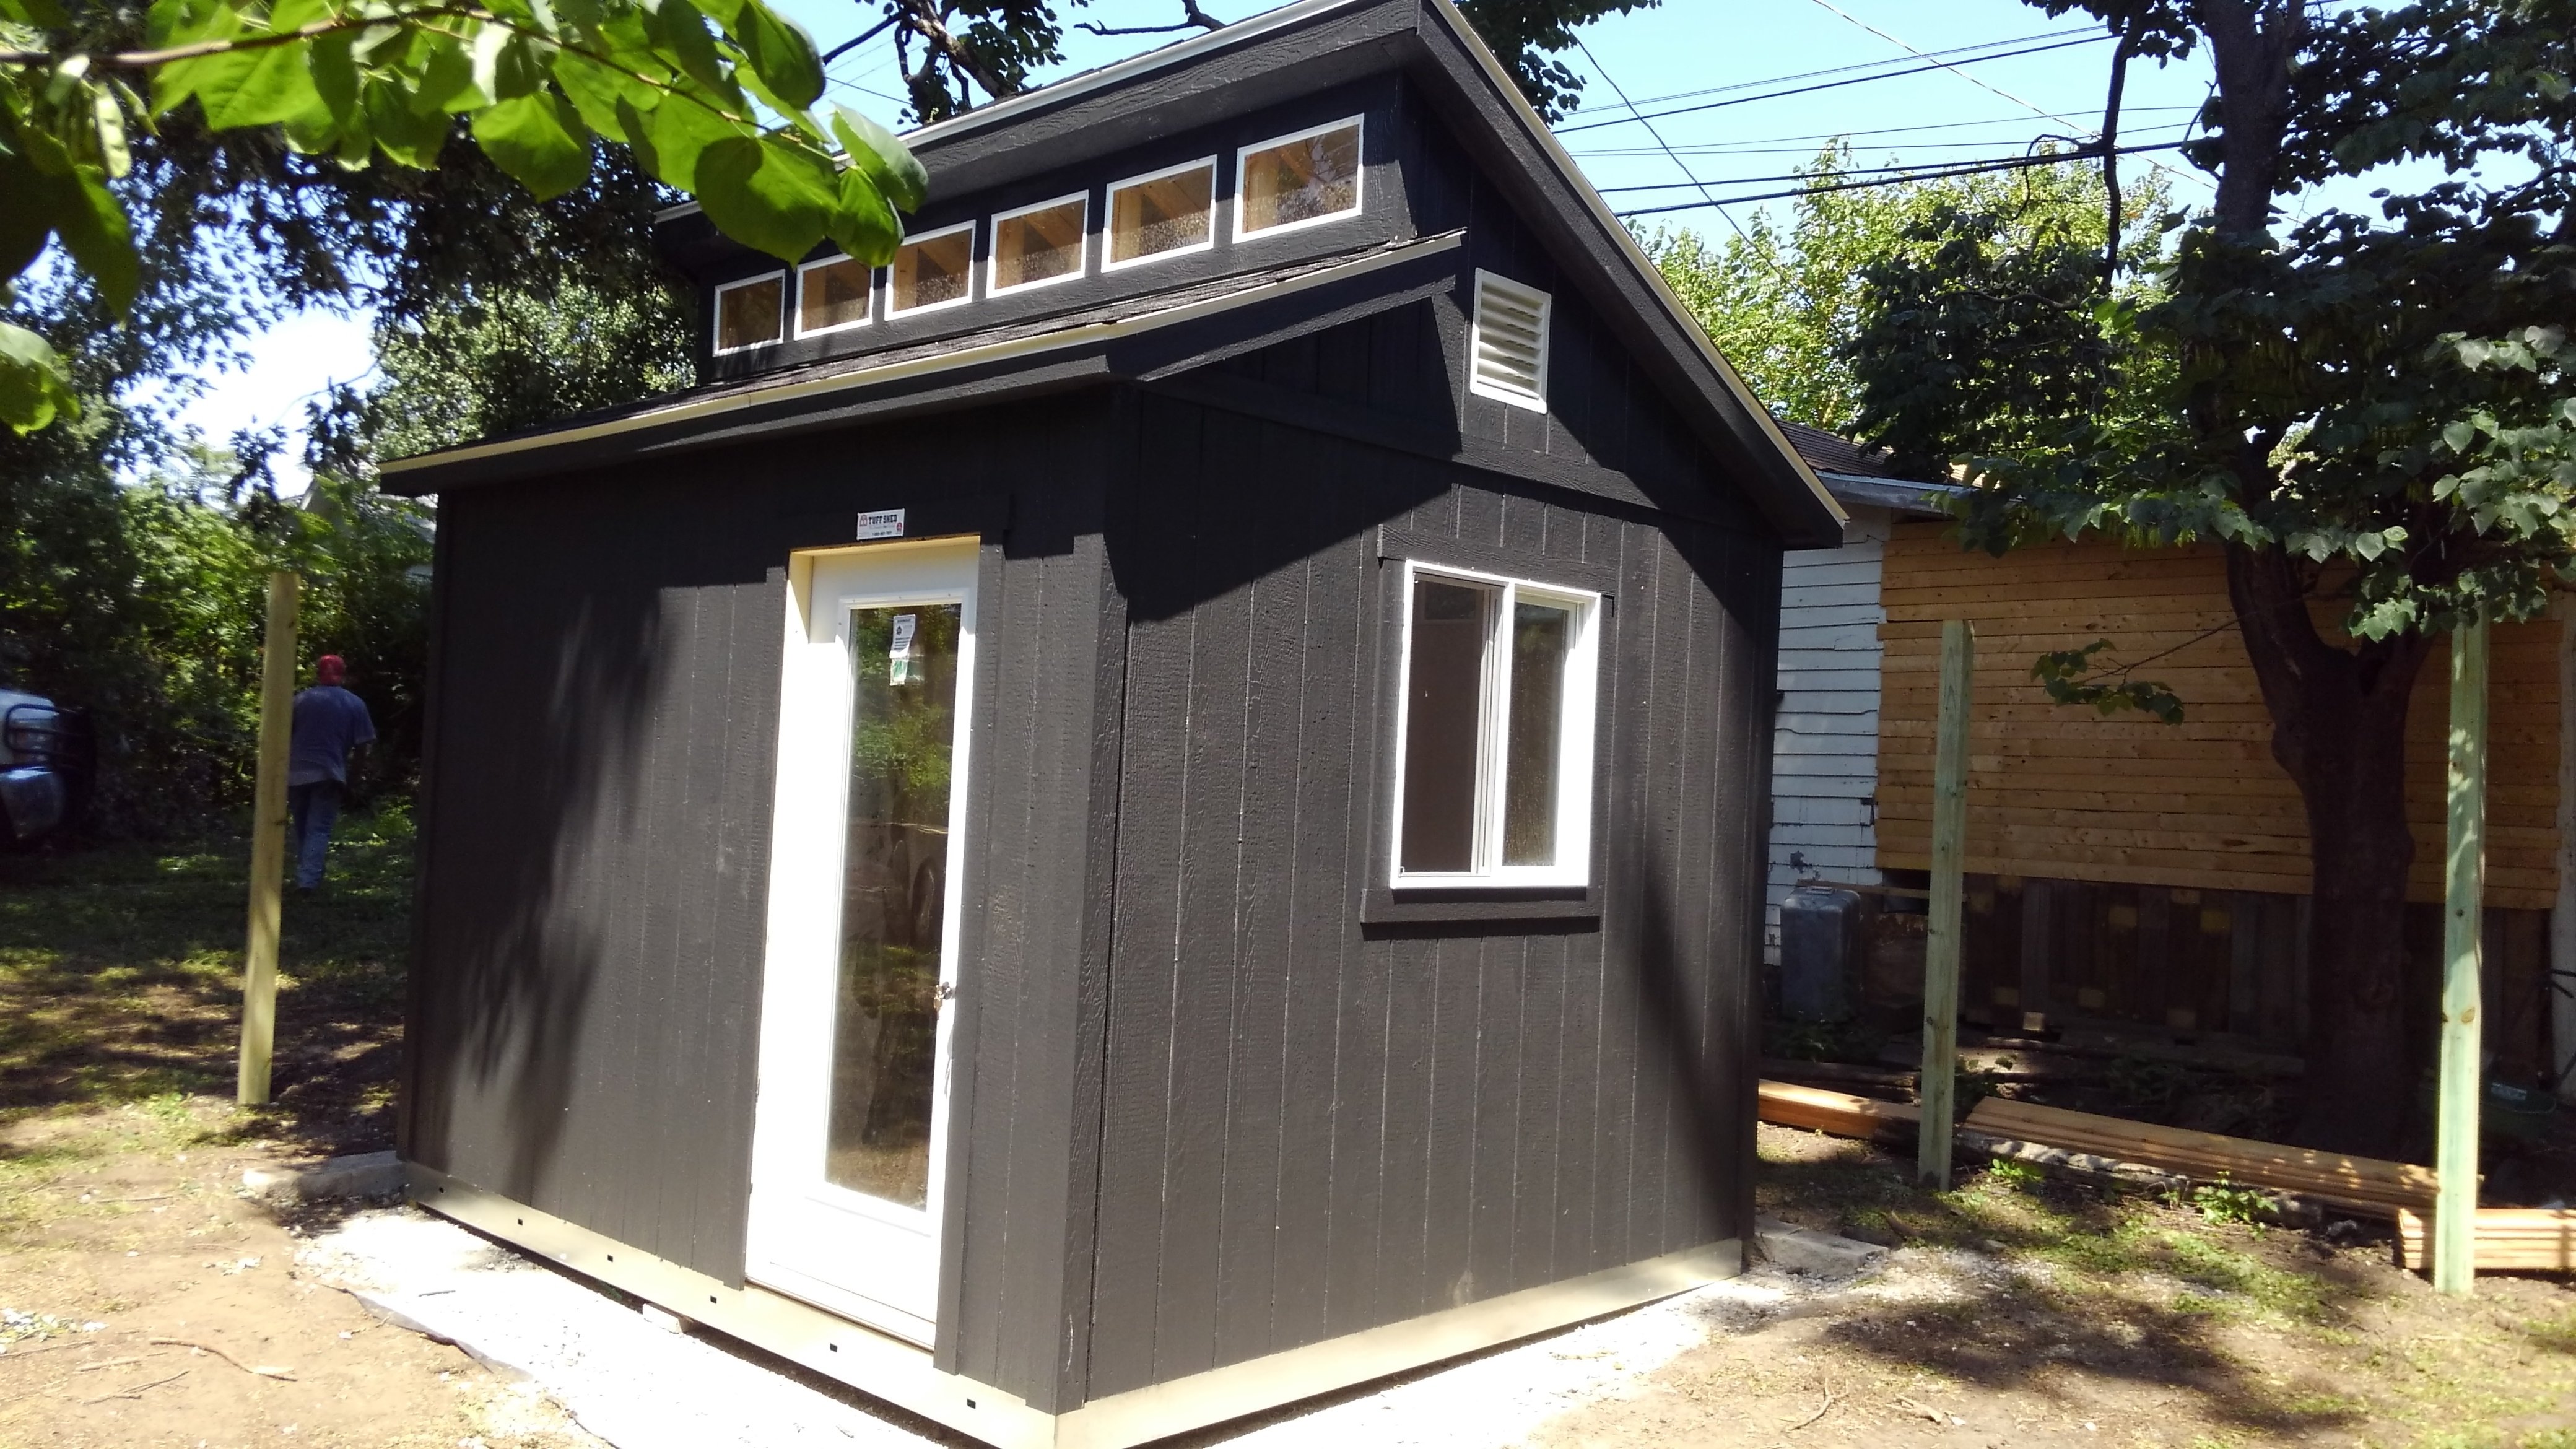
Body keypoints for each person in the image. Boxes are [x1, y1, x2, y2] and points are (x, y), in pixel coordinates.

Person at [287, 653, 375, 894]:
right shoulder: (355, 704)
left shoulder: (300, 700)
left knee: (303, 826)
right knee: (319, 828)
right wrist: (353, 780)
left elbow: (282, 737)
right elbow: (362, 747)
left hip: (294, 773)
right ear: (343, 674)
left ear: (318, 674)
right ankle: (308, 880)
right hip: (329, 773)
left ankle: (307, 874)